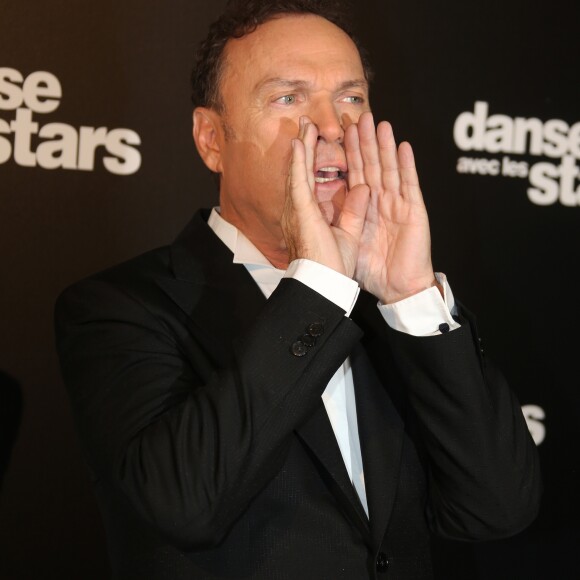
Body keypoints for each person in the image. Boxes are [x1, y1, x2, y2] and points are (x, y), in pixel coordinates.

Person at [55, 1, 541, 578]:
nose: (333, 126)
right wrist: (317, 289)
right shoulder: (119, 308)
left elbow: (497, 509)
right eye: (288, 98)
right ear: (211, 139)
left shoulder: (391, 311)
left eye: (351, 98)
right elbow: (183, 505)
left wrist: (409, 294)